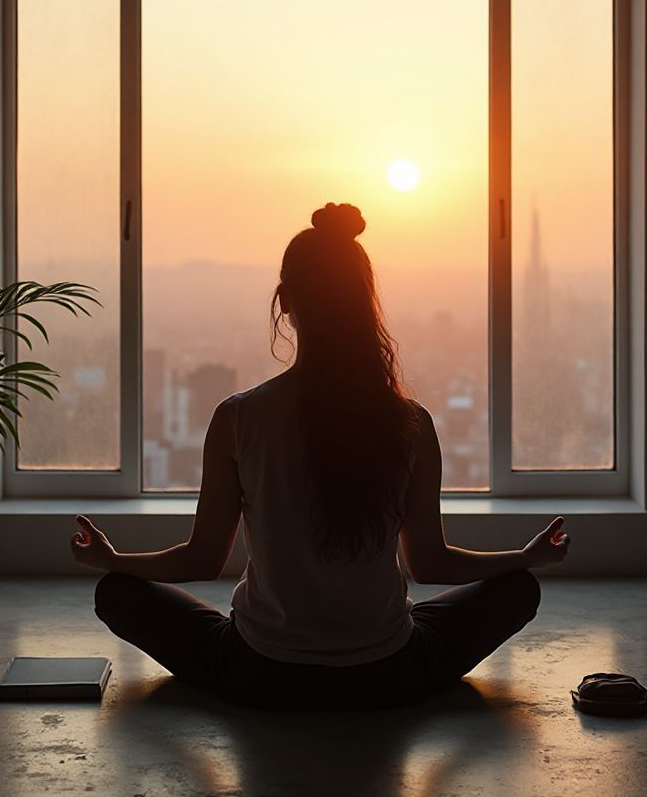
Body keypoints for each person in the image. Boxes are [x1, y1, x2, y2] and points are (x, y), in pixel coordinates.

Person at [70, 202, 570, 710]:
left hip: (259, 671)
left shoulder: (238, 419)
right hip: (390, 672)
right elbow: (431, 563)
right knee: (517, 590)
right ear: (363, 302)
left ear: (285, 302)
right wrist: (527, 558)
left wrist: (114, 560)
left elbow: (202, 559)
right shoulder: (410, 424)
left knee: (117, 592)